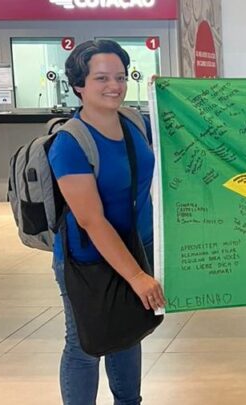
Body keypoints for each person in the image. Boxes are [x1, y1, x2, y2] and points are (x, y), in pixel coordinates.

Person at [48, 39, 165, 405]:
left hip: (136, 245)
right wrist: (136, 276)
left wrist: (169, 92)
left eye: (120, 76)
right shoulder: (70, 144)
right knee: (86, 343)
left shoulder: (133, 121)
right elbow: (92, 220)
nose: (114, 85)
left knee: (127, 332)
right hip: (89, 259)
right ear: (78, 85)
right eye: (101, 78)